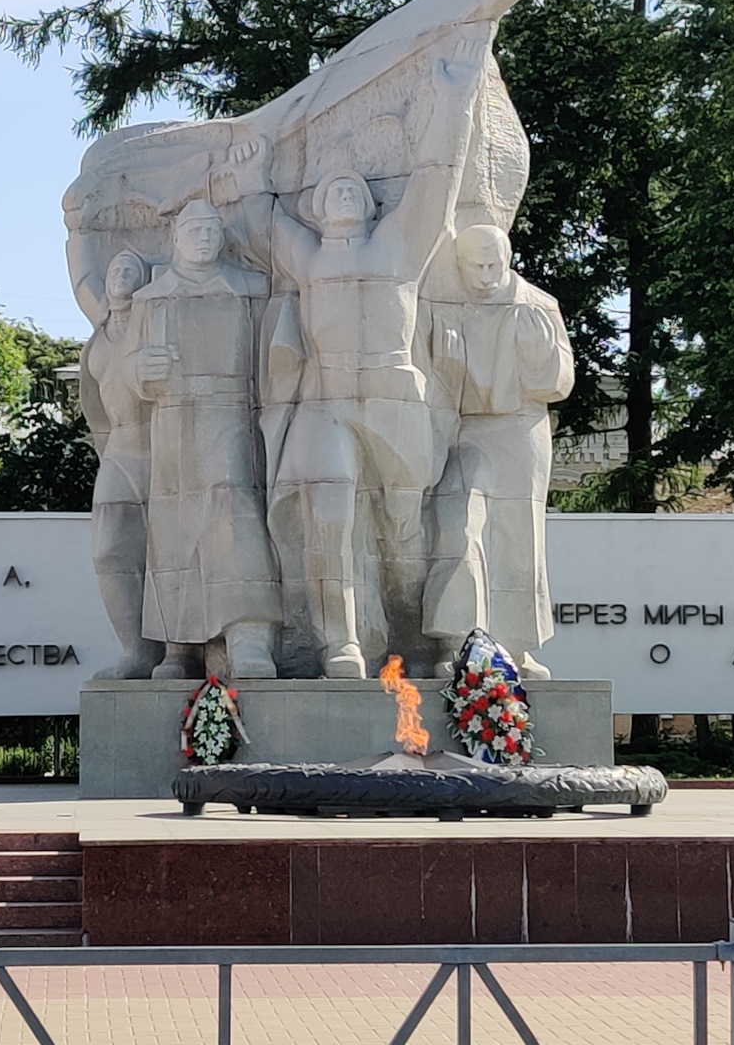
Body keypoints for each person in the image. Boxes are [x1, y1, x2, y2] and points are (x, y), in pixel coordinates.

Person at [219, 42, 489, 678]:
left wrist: (452, 98)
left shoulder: (400, 246)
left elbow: (436, 179)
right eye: (332, 190)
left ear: (371, 205)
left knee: (404, 537)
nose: (343, 194)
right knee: (328, 514)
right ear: (317, 209)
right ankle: (338, 641)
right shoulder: (310, 260)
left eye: (353, 189)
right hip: (327, 404)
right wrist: (251, 167)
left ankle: (419, 640)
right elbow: (260, 217)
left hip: (396, 402)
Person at [128, 199, 282, 679]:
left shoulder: (251, 289)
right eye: (194, 229)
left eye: (212, 229)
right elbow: (129, 371)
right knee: (172, 531)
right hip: (172, 420)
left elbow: (277, 358)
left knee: (232, 510)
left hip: (231, 413)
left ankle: (248, 635)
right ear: (176, 237)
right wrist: (141, 371)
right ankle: (179, 646)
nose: (204, 237)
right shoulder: (151, 298)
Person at [424, 223, 574, 675]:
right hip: (463, 428)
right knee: (458, 517)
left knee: (519, 534)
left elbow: (559, 383)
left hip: (518, 429)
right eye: (475, 265)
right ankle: (457, 639)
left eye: (493, 264)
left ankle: (515, 646)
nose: (486, 274)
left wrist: (535, 352)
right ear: (460, 264)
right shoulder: (443, 305)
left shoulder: (537, 306)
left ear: (507, 258)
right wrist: (447, 369)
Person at [80, 250, 162, 678]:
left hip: (159, 446)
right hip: (118, 449)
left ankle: (172, 651)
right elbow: (81, 271)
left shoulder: (152, 325)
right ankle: (136, 649)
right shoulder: (99, 332)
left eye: (131, 269)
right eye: (115, 268)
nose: (121, 276)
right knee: (110, 549)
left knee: (165, 551)